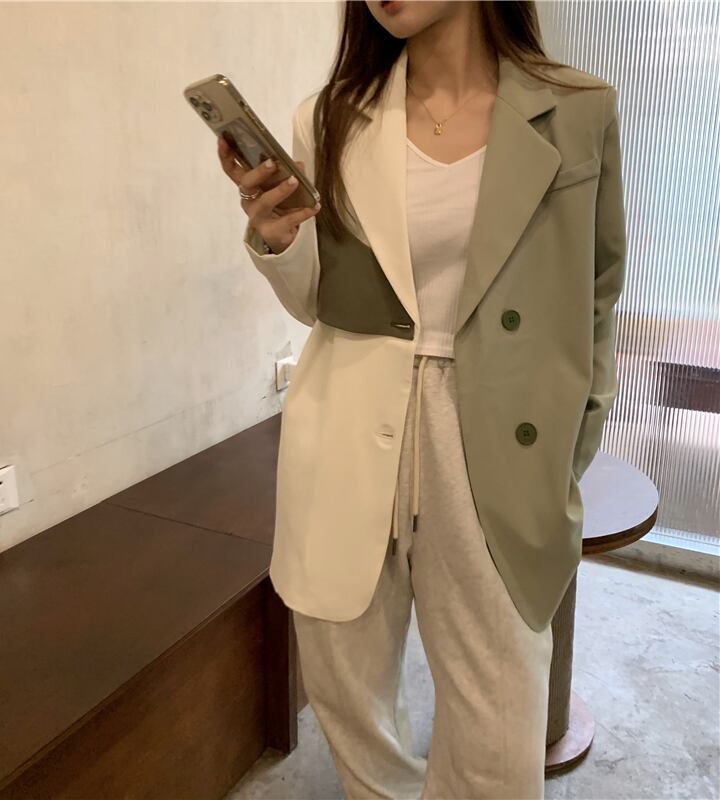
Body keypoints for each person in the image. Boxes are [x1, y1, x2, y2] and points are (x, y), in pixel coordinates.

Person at [218, 2, 626, 797]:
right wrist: (278, 240)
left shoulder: (578, 109)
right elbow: (317, 302)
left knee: (498, 725)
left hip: (495, 440)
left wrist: (566, 455)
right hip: (346, 427)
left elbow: (598, 295)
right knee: (348, 698)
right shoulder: (330, 116)